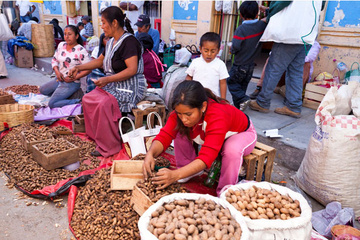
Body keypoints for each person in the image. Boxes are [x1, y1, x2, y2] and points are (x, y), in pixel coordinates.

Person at [143, 81, 257, 196]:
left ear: (203, 106)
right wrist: (150, 154)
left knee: (231, 150)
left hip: (241, 133)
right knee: (179, 128)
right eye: (179, 114)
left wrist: (175, 175)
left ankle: (226, 191)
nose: (184, 119)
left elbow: (206, 157)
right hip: (213, 134)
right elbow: (165, 135)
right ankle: (186, 168)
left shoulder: (217, 115)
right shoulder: (181, 114)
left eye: (188, 114)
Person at [68, 6, 146, 157]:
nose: (102, 26)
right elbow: (99, 61)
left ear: (115, 23)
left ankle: (110, 145)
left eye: (103, 22)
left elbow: (132, 70)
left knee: (104, 104)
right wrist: (79, 67)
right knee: (88, 98)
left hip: (131, 87)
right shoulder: (110, 42)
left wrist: (107, 79)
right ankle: (98, 137)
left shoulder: (129, 41)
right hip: (115, 83)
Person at [249, 1, 322, 118]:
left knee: (273, 69)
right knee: (296, 71)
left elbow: (281, 2)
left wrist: (269, 13)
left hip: (290, 33)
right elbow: (321, 5)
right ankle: (293, 106)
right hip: (307, 34)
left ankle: (262, 102)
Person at [227, 1, 267, 111]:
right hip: (250, 65)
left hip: (239, 64)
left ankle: (243, 99)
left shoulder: (241, 29)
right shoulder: (262, 26)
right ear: (256, 14)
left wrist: (231, 49)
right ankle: (240, 105)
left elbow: (235, 47)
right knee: (243, 85)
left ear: (241, 15)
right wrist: (265, 9)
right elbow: (271, 16)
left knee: (231, 82)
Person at [39, 25, 91, 108]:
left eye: (69, 34)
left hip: (72, 82)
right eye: (65, 34)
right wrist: (57, 72)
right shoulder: (61, 45)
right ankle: (63, 96)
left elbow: (88, 69)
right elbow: (54, 60)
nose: (67, 37)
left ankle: (78, 101)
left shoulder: (81, 50)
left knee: (52, 104)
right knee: (43, 90)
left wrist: (75, 77)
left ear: (77, 36)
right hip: (60, 79)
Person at [250, 40, 321, 99]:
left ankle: (293, 97)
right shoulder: (290, 39)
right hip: (283, 73)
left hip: (296, 76)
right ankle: (260, 87)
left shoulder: (314, 45)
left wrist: (288, 58)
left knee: (306, 64)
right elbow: (273, 53)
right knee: (270, 59)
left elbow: (308, 58)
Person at [185, 32, 229, 99]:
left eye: (213, 51)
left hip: (213, 98)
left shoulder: (220, 64)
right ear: (200, 49)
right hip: (195, 96)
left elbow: (223, 83)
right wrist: (187, 93)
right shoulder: (195, 62)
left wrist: (223, 99)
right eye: (206, 51)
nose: (209, 54)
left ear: (218, 51)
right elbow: (189, 78)